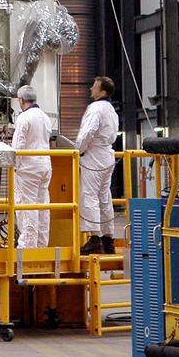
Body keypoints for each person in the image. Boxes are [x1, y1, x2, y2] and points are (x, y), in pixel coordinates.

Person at [75, 75, 119, 255]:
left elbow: (88, 132)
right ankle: (108, 239)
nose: (90, 89)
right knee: (104, 197)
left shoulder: (95, 108)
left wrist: (78, 150)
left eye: (94, 86)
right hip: (107, 156)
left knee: (90, 196)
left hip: (94, 157)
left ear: (102, 91)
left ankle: (94, 239)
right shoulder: (111, 110)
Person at [11, 85, 53, 250]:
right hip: (45, 166)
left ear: (21, 100)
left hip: (28, 168)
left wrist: (15, 167)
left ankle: (27, 248)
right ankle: (42, 245)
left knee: (27, 207)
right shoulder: (45, 117)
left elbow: (18, 146)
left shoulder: (24, 118)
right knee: (43, 206)